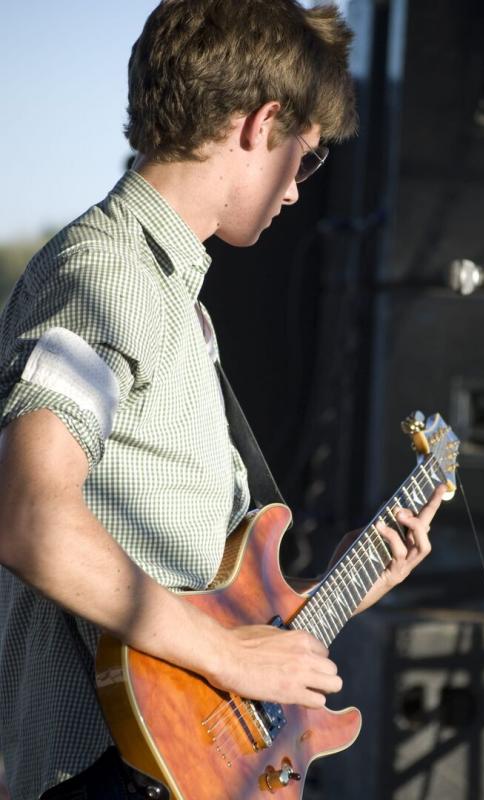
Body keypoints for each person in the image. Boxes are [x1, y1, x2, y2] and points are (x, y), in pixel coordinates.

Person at [0, 1, 445, 798]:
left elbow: (207, 588)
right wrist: (232, 656)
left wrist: (349, 580)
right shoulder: (107, 275)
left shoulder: (181, 309)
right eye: (304, 159)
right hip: (108, 774)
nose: (300, 193)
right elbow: (28, 514)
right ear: (259, 122)